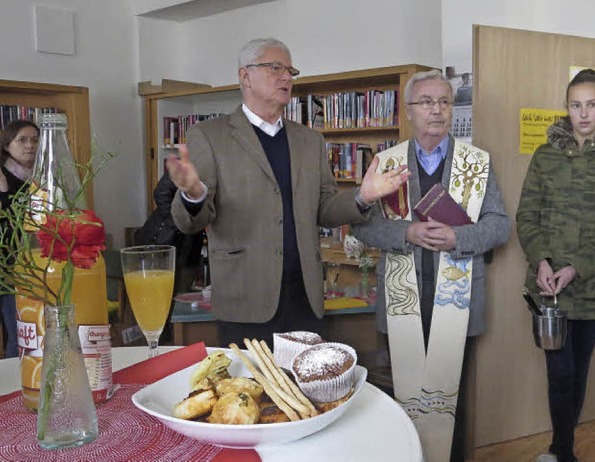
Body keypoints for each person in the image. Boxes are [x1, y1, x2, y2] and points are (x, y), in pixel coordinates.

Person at [168, 38, 409, 349]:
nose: (286, 77)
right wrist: (192, 193)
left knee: (307, 393)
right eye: (275, 68)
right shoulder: (210, 136)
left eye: (290, 70)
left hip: (304, 296)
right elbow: (189, 222)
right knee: (249, 393)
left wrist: (363, 195)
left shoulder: (309, 140)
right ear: (245, 76)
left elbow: (324, 208)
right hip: (245, 296)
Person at [351, 69, 510, 462]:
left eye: (444, 102)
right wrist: (406, 233)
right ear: (409, 111)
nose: (436, 111)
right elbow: (362, 226)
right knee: (398, 401)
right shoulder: (385, 163)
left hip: (458, 303)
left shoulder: (476, 162)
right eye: (426, 102)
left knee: (450, 404)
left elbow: (500, 225)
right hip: (402, 301)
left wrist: (460, 239)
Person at [516, 69, 595, 462]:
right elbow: (526, 214)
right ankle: (564, 452)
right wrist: (541, 260)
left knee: (578, 370)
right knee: (560, 371)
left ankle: (559, 449)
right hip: (549, 285)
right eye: (574, 105)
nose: (582, 113)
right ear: (566, 108)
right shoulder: (546, 154)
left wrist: (577, 267)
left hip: (593, 284)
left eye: (590, 104)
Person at [0, 119, 39, 358]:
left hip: (31, 262)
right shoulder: (3, 175)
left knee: (28, 330)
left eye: (34, 140)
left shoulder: (39, 176)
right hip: (6, 264)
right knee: (18, 331)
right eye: (22, 140)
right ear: (7, 145)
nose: (30, 145)